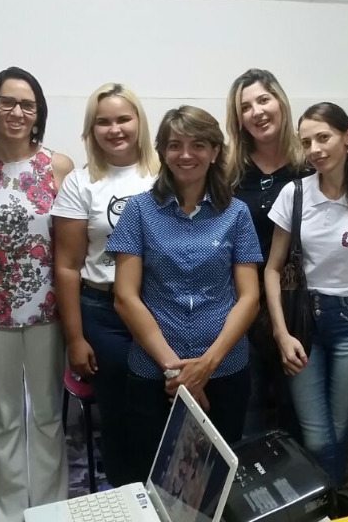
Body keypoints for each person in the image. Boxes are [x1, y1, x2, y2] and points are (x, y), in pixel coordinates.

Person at [109, 105, 262, 484]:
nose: (186, 154)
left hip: (224, 371)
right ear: (162, 151)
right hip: (154, 374)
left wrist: (205, 367)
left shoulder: (237, 214)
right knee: (153, 477)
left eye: (198, 145)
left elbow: (249, 298)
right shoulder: (138, 211)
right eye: (175, 145)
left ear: (214, 151)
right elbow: (125, 297)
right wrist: (178, 373)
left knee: (215, 482)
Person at [0, 67, 74, 521]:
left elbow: (71, 241)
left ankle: (50, 511)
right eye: (7, 102)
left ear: (38, 113)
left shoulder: (58, 166)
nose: (17, 112)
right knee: (3, 419)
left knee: (47, 415)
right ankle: (7, 513)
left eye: (27, 104)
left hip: (48, 310)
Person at [265, 102, 348, 486]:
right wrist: (281, 334)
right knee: (316, 435)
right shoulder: (294, 194)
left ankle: (332, 504)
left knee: (341, 429)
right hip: (302, 323)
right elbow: (272, 269)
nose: (314, 149)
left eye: (323, 137)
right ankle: (328, 502)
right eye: (306, 142)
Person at [50, 83, 157, 486]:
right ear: (91, 129)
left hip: (161, 308)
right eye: (103, 122)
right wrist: (75, 338)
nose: (115, 129)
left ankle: (168, 502)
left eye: (123, 119)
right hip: (104, 314)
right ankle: (126, 498)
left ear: (139, 122)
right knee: (118, 416)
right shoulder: (80, 183)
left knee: (162, 410)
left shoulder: (164, 175)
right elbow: (67, 266)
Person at [225, 68, 309, 440]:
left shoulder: (310, 162)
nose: (257, 112)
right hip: (242, 303)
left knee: (297, 412)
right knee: (248, 410)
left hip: (299, 304)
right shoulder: (228, 170)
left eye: (263, 100)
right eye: (245, 107)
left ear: (280, 102)